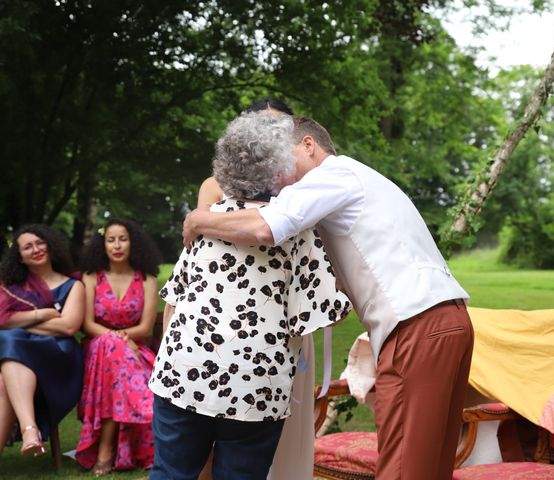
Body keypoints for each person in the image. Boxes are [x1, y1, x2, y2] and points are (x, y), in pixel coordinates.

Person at [182, 115, 474, 480]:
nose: (280, 179)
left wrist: (198, 219)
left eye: (283, 163)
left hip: (416, 326)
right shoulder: (358, 180)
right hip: (449, 322)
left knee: (403, 467)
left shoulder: (332, 176)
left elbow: (264, 226)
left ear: (308, 145)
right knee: (430, 465)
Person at [149, 112, 350, 480]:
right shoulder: (297, 231)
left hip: (184, 369)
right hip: (256, 383)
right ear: (282, 168)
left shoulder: (205, 221)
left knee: (171, 472)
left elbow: (174, 300)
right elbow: (326, 312)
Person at [75, 218, 161, 475]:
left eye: (122, 238)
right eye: (111, 239)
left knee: (117, 356)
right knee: (110, 348)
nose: (117, 245)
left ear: (132, 243)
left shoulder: (146, 279)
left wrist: (120, 341)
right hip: (98, 350)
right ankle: (111, 444)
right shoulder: (91, 278)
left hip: (136, 351)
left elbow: (145, 329)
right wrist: (117, 340)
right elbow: (88, 324)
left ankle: (105, 449)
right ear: (102, 244)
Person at [0, 224, 84, 458]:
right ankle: (30, 430)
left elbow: (68, 326)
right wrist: (41, 315)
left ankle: (29, 430)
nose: (35, 249)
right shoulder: (11, 287)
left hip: (57, 357)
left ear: (50, 245)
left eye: (40, 243)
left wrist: (19, 322)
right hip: (16, 360)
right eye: (27, 247)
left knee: (10, 337)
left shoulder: (73, 285)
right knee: (4, 370)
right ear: (20, 257)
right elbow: (2, 321)